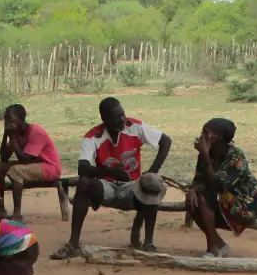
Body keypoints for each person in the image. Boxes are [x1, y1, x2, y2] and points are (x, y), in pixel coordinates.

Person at [52, 97, 171, 259]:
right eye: (117, 117)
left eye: (123, 114)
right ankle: (73, 243)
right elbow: (83, 168)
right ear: (104, 119)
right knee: (84, 183)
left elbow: (165, 141)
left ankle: (148, 242)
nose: (122, 119)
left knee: (152, 183)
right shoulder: (93, 136)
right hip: (106, 186)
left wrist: (153, 170)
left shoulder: (134, 126)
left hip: (132, 187)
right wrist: (111, 172)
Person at [186, 117, 257, 257]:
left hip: (245, 204)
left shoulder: (236, 156)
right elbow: (199, 179)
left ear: (219, 137)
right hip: (223, 199)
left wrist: (205, 156)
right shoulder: (207, 154)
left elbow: (220, 186)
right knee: (192, 199)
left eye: (205, 133)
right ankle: (219, 244)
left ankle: (212, 249)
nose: (201, 136)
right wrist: (193, 189)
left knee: (203, 197)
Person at [0, 104, 62, 219]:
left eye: (11, 118)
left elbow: (25, 160)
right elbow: (4, 158)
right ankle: (0, 208)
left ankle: (17, 214)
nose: (8, 121)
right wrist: (6, 135)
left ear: (21, 119)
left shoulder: (35, 132)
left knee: (17, 170)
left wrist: (13, 140)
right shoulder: (16, 134)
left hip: (50, 168)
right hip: (33, 165)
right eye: (6, 118)